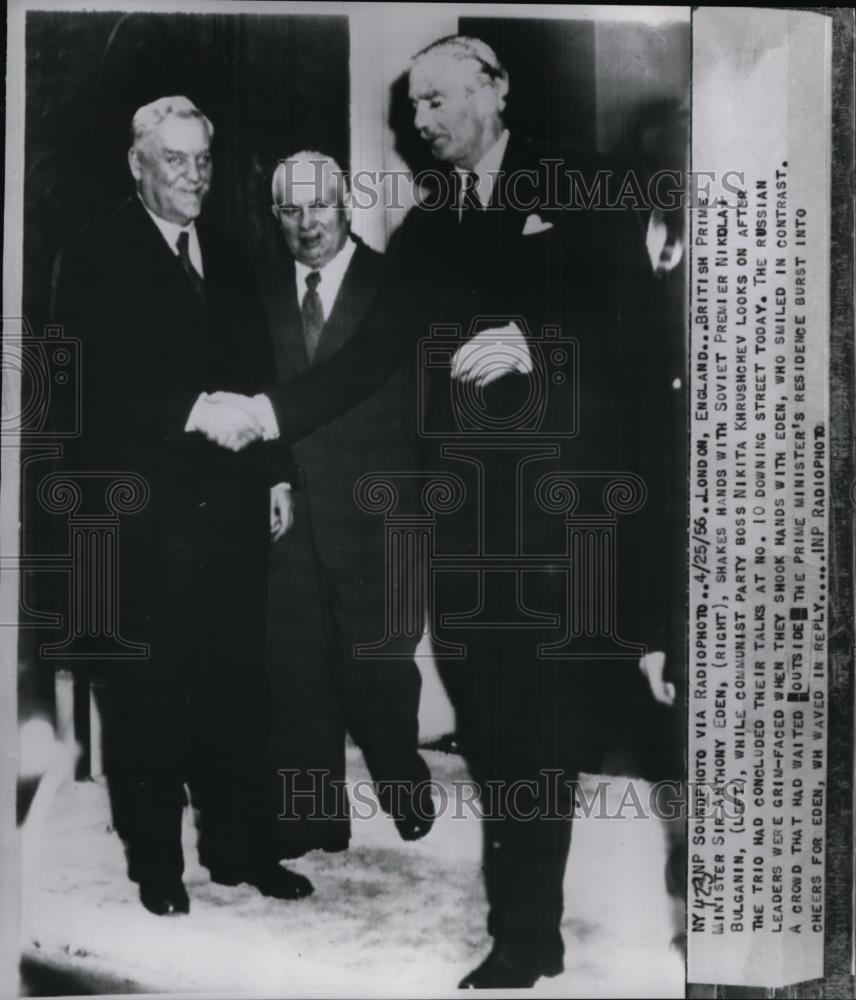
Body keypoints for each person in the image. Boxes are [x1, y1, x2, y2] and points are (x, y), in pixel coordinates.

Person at [200, 37, 669, 988]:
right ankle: (527, 926)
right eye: (414, 107)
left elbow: (635, 324)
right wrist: (268, 412)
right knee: (495, 738)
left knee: (539, 733)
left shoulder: (582, 184)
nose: (422, 121)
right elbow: (367, 357)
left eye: (439, 100)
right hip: (465, 529)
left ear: (496, 92)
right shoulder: (425, 228)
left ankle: (526, 938)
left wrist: (537, 341)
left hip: (560, 522)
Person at [51, 95, 313, 916]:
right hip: (146, 519)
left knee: (240, 683)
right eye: (176, 161)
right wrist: (191, 411)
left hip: (233, 509)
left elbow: (260, 369)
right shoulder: (93, 255)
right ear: (139, 165)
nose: (194, 177)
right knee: (152, 696)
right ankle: (156, 865)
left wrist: (275, 475)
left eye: (203, 160)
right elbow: (87, 384)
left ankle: (241, 848)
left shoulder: (230, 254)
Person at [261, 151, 431, 855]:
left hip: (380, 508)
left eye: (320, 207)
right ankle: (312, 814)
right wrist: (270, 477)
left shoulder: (396, 285)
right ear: (277, 217)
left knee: (378, 663)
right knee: (294, 662)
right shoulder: (260, 291)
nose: (307, 224)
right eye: (291, 210)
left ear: (347, 205)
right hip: (293, 507)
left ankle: (401, 781)